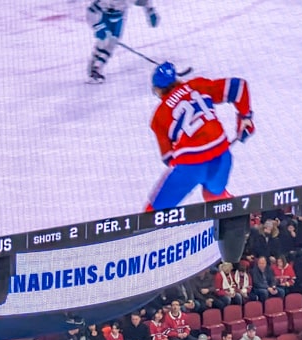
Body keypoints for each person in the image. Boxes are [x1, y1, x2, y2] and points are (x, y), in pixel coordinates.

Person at [146, 63, 253, 210]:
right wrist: (245, 118)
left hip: (191, 166)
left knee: (153, 212)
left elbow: (168, 158)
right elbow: (239, 87)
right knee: (214, 195)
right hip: (222, 156)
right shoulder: (198, 85)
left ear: (158, 90)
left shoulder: (159, 116)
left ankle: (141, 232)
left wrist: (185, 180)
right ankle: (241, 216)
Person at [85, 0, 159, 83]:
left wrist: (150, 11)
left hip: (119, 16)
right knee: (103, 41)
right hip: (102, 15)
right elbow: (91, 11)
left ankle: (97, 67)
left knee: (112, 43)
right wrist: (97, 26)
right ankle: (93, 69)